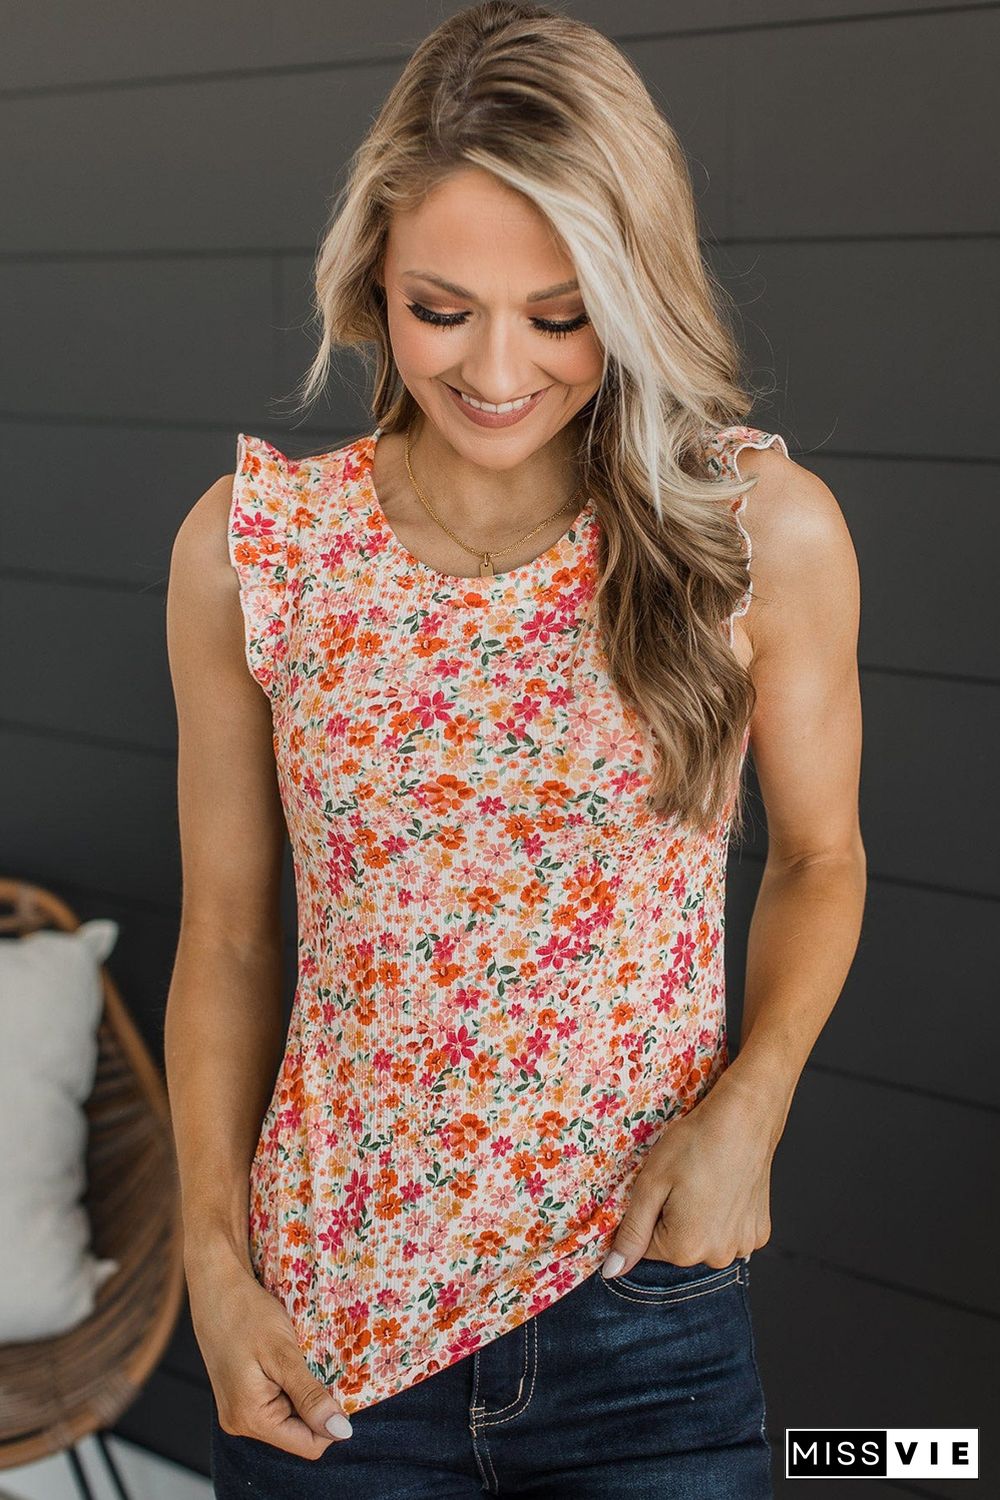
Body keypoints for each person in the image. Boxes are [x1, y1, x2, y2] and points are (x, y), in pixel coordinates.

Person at [164, 3, 865, 1495]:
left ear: (635, 291)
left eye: (559, 314)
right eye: (441, 307)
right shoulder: (256, 549)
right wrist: (212, 1272)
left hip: (647, 1317)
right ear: (371, 285)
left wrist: (755, 1101)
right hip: (326, 1331)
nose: (495, 369)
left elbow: (822, 856)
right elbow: (226, 936)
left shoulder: (758, 533)